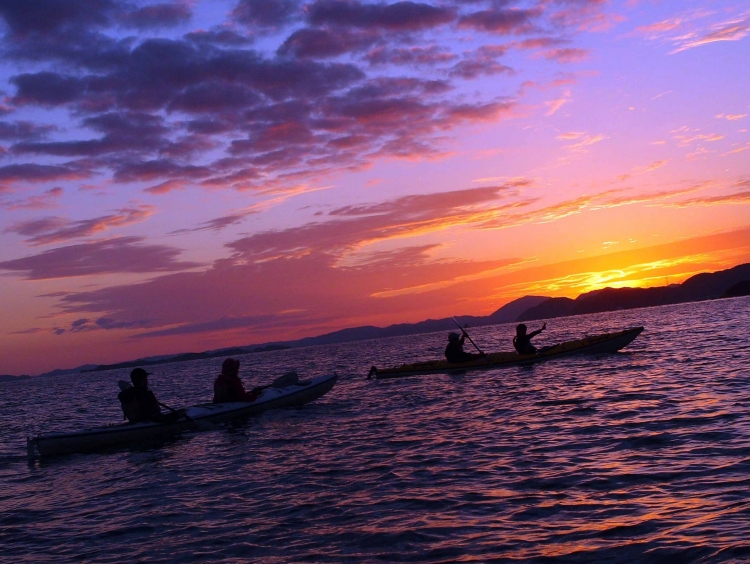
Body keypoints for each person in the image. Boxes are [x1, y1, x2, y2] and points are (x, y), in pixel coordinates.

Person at [118, 368, 185, 424]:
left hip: (136, 422)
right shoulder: (145, 394)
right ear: (143, 380)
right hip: (149, 422)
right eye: (146, 378)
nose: (147, 380)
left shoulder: (131, 393)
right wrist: (177, 416)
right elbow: (156, 417)